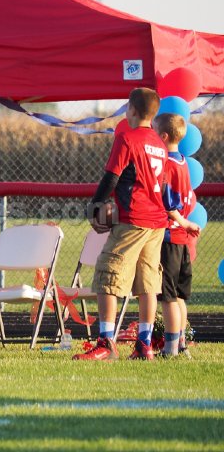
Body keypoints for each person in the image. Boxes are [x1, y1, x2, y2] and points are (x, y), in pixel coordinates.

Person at [74, 87, 168, 361]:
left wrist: (94, 206)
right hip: (156, 221)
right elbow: (160, 185)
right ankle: (144, 345)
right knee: (148, 283)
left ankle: (106, 342)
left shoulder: (127, 138)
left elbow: (112, 176)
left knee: (107, 275)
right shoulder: (159, 143)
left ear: (132, 110)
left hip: (133, 219)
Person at [156, 113, 200, 358]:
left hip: (170, 236)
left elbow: (169, 203)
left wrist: (183, 221)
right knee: (180, 297)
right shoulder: (183, 162)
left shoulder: (166, 164)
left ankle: (170, 348)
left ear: (163, 137)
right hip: (182, 239)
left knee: (169, 297)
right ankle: (182, 344)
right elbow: (188, 199)